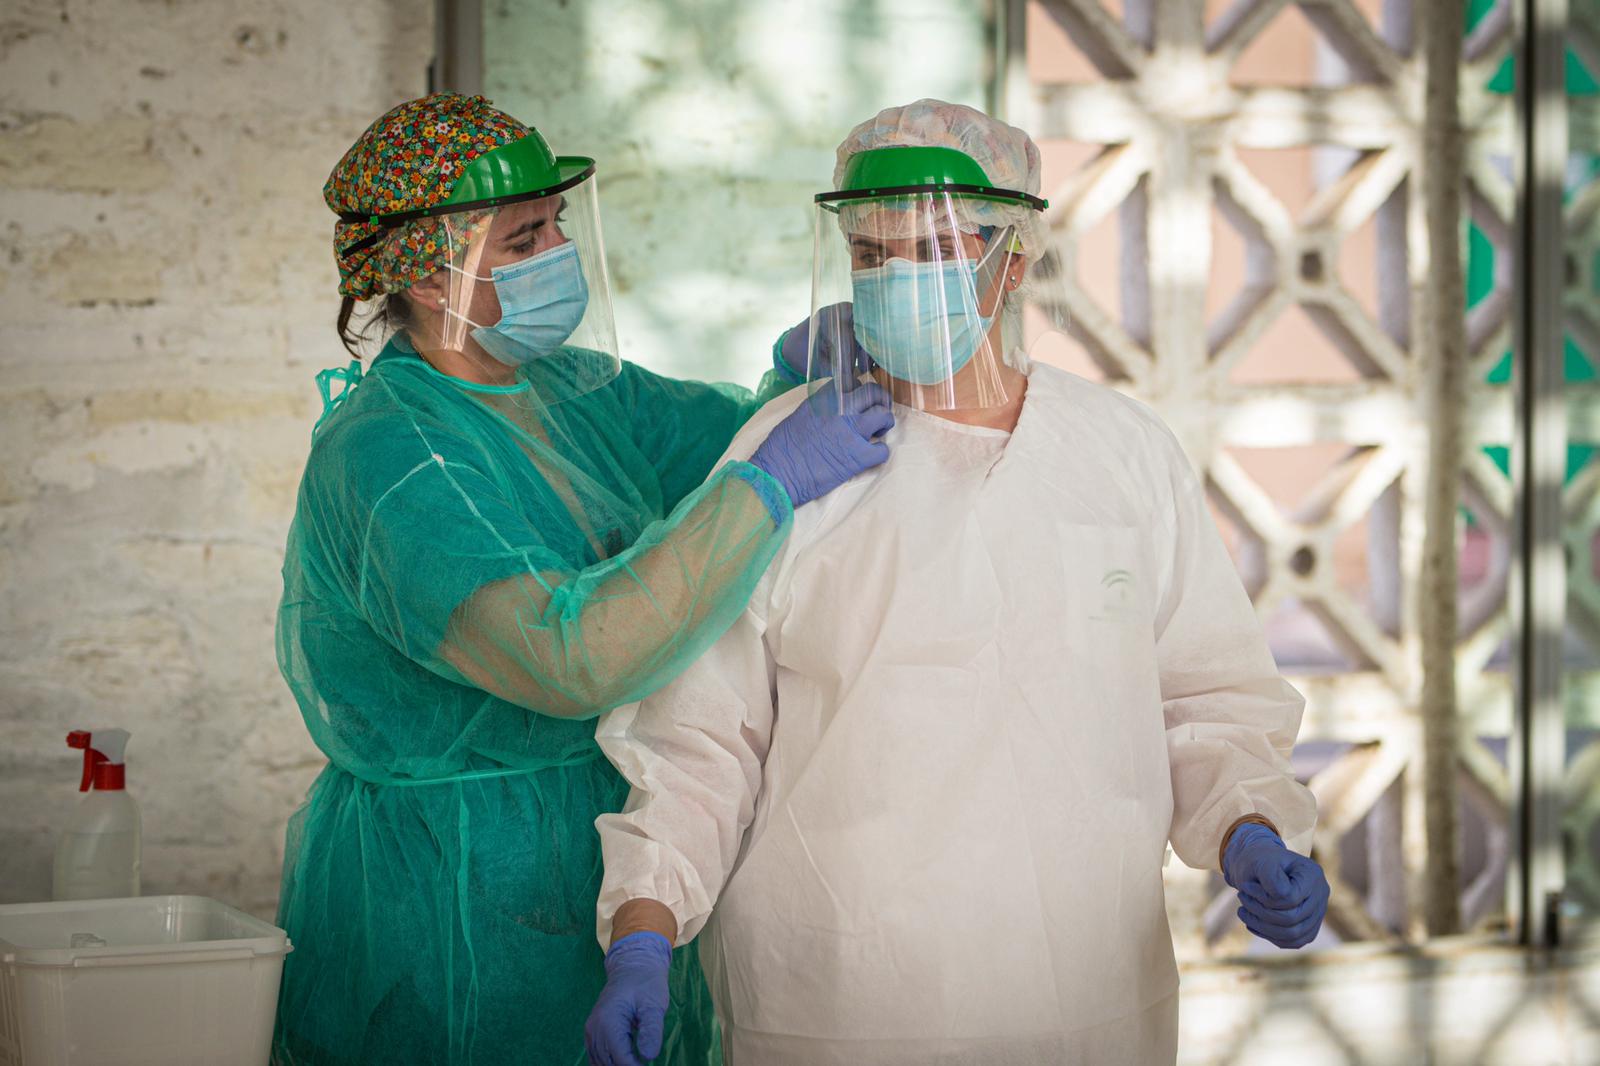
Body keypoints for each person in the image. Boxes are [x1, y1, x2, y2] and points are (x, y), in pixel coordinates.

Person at [585, 99, 1331, 1066]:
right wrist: (643, 932)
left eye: (929, 249)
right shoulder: (789, 461)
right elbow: (697, 745)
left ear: (1010, 259)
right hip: (837, 1002)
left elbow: (1205, 700)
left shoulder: (1122, 454)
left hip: (1089, 992)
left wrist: (1251, 828)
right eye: (871, 257)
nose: (894, 280)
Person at [272, 92, 892, 1065]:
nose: (559, 248)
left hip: (609, 862)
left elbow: (715, 433)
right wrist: (769, 482)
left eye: (558, 221)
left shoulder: (563, 389)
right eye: (526, 236)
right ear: (433, 278)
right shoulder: (395, 456)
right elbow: (571, 658)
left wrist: (785, 380)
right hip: (458, 890)